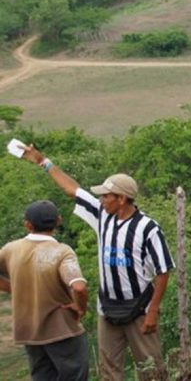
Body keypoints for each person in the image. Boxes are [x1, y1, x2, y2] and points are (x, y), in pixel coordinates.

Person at [20, 146, 175, 381]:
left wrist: (153, 311)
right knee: (109, 370)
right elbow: (74, 190)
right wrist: (44, 162)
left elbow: (163, 272)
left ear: (121, 199)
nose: (101, 200)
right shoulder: (103, 216)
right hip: (108, 308)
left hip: (140, 310)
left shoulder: (147, 228)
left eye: (106, 196)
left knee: (151, 369)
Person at [0, 200, 89, 380]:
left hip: (29, 330)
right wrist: (80, 307)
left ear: (28, 224)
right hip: (62, 329)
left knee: (41, 376)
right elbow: (79, 287)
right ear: (58, 221)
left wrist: (14, 289)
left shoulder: (11, 249)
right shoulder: (61, 252)